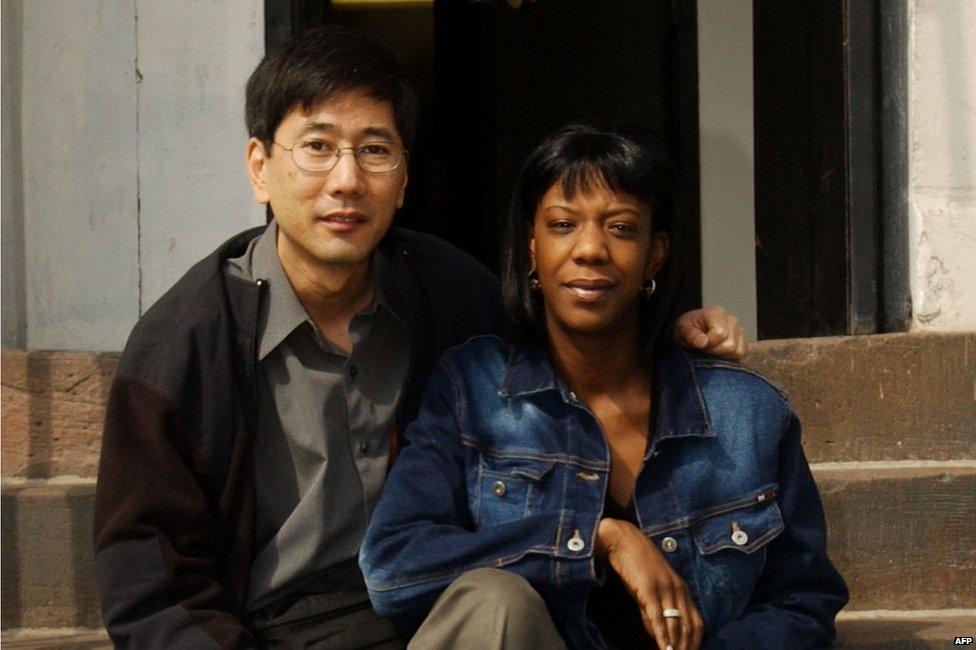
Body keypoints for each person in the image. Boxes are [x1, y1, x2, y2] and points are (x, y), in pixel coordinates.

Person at [92, 28, 748, 649]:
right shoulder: (186, 342)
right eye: (317, 147)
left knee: (501, 603)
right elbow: (148, 580)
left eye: (374, 150)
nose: (346, 180)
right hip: (271, 635)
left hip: (440, 624)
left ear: (403, 178)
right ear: (260, 167)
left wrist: (668, 333)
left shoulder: (450, 296)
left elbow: (569, 354)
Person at [360, 123, 849, 649]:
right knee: (494, 599)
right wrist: (597, 540)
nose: (590, 249)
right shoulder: (471, 391)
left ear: (654, 255)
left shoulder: (745, 413)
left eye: (620, 228)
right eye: (563, 224)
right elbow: (395, 565)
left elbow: (803, 603)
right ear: (532, 248)